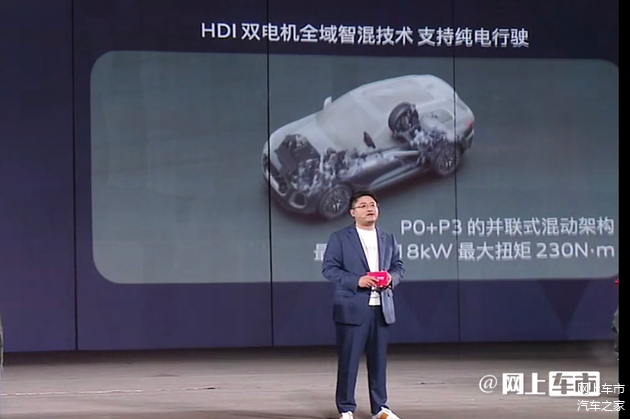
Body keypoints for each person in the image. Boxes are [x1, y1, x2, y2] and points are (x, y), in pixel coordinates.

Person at [322, 191, 405, 419]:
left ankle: (380, 408)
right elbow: (329, 268)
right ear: (353, 212)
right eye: (363, 205)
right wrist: (357, 280)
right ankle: (346, 409)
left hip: (382, 307)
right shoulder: (340, 238)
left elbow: (398, 267)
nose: (370, 209)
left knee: (378, 362)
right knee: (349, 362)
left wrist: (391, 278)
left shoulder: (388, 238)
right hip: (352, 307)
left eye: (373, 205)